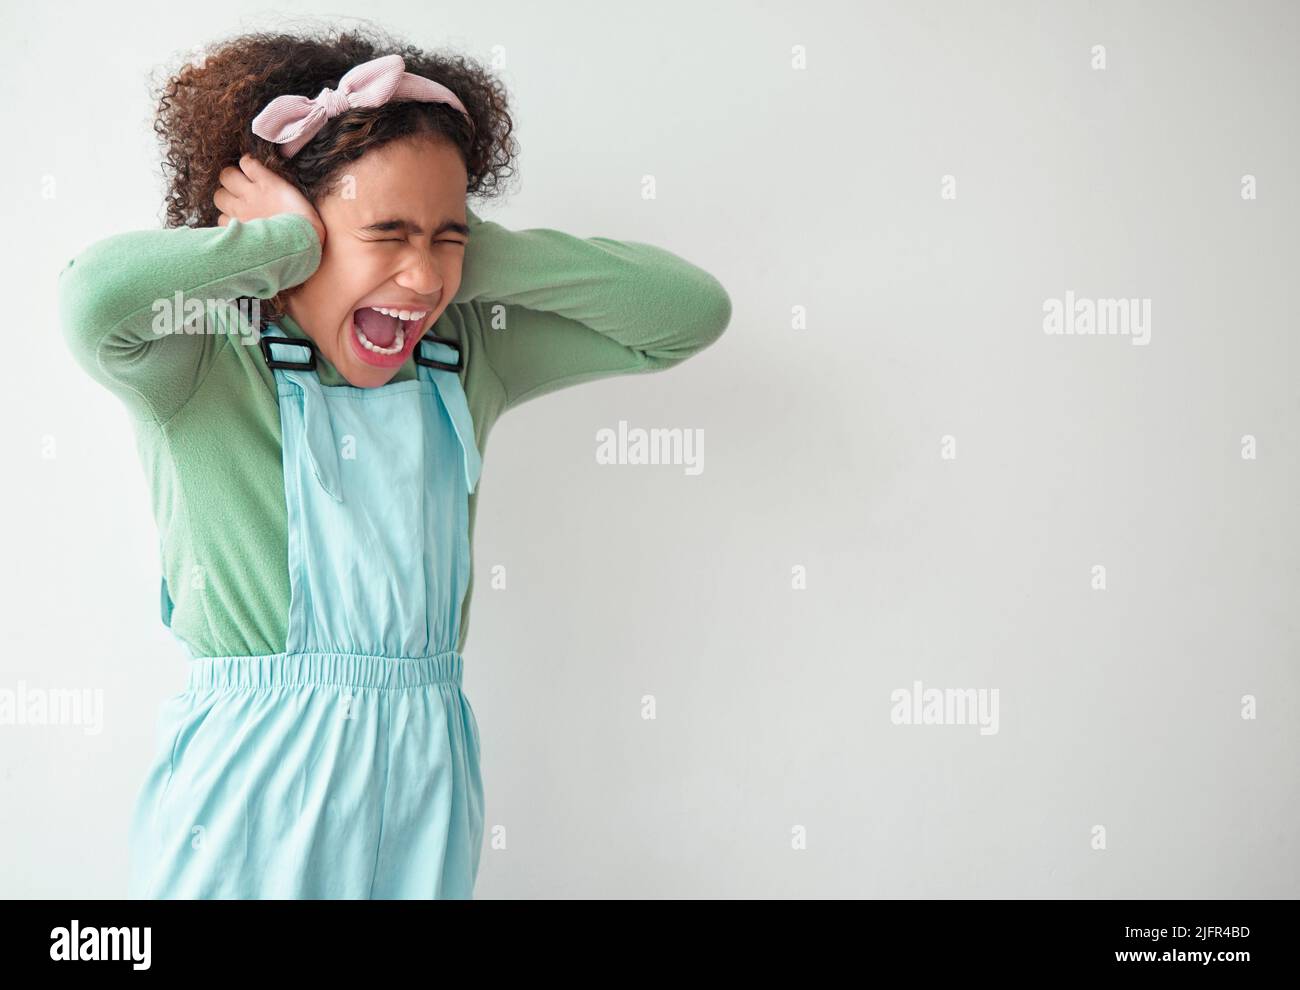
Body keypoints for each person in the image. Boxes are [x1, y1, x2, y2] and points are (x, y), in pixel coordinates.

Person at [56, 26, 731, 899]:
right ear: (298, 230)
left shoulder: (464, 356)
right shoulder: (201, 357)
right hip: (254, 783)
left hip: (427, 775)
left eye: (446, 238)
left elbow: (686, 313)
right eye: (387, 233)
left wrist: (465, 247)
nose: (420, 280)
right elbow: (90, 299)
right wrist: (275, 251)